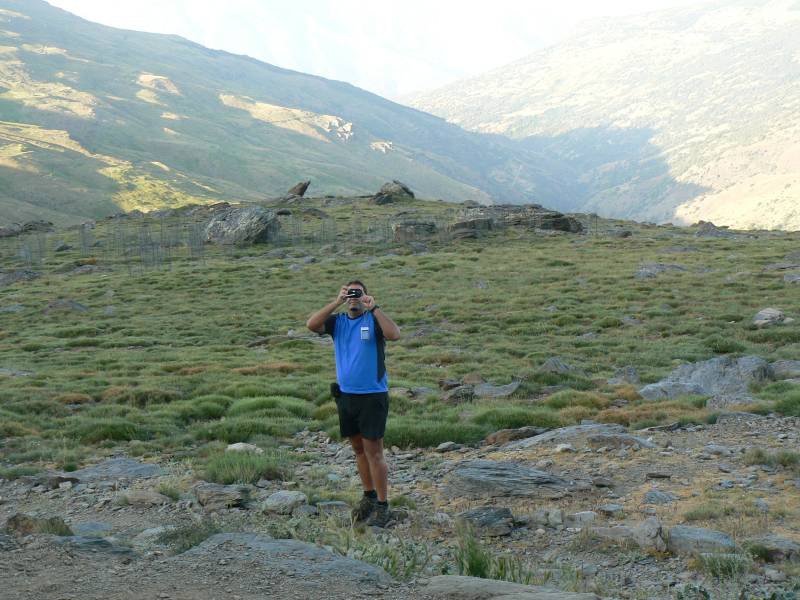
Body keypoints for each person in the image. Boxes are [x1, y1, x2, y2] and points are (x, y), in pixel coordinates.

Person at [306, 280, 401, 527]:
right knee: (358, 450)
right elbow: (311, 325)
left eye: (358, 293)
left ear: (366, 296)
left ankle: (382, 506)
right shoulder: (337, 322)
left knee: (374, 452)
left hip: (372, 396)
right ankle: (368, 496)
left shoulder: (373, 320)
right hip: (346, 396)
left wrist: (374, 307)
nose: (354, 296)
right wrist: (336, 301)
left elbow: (394, 334)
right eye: (350, 293)